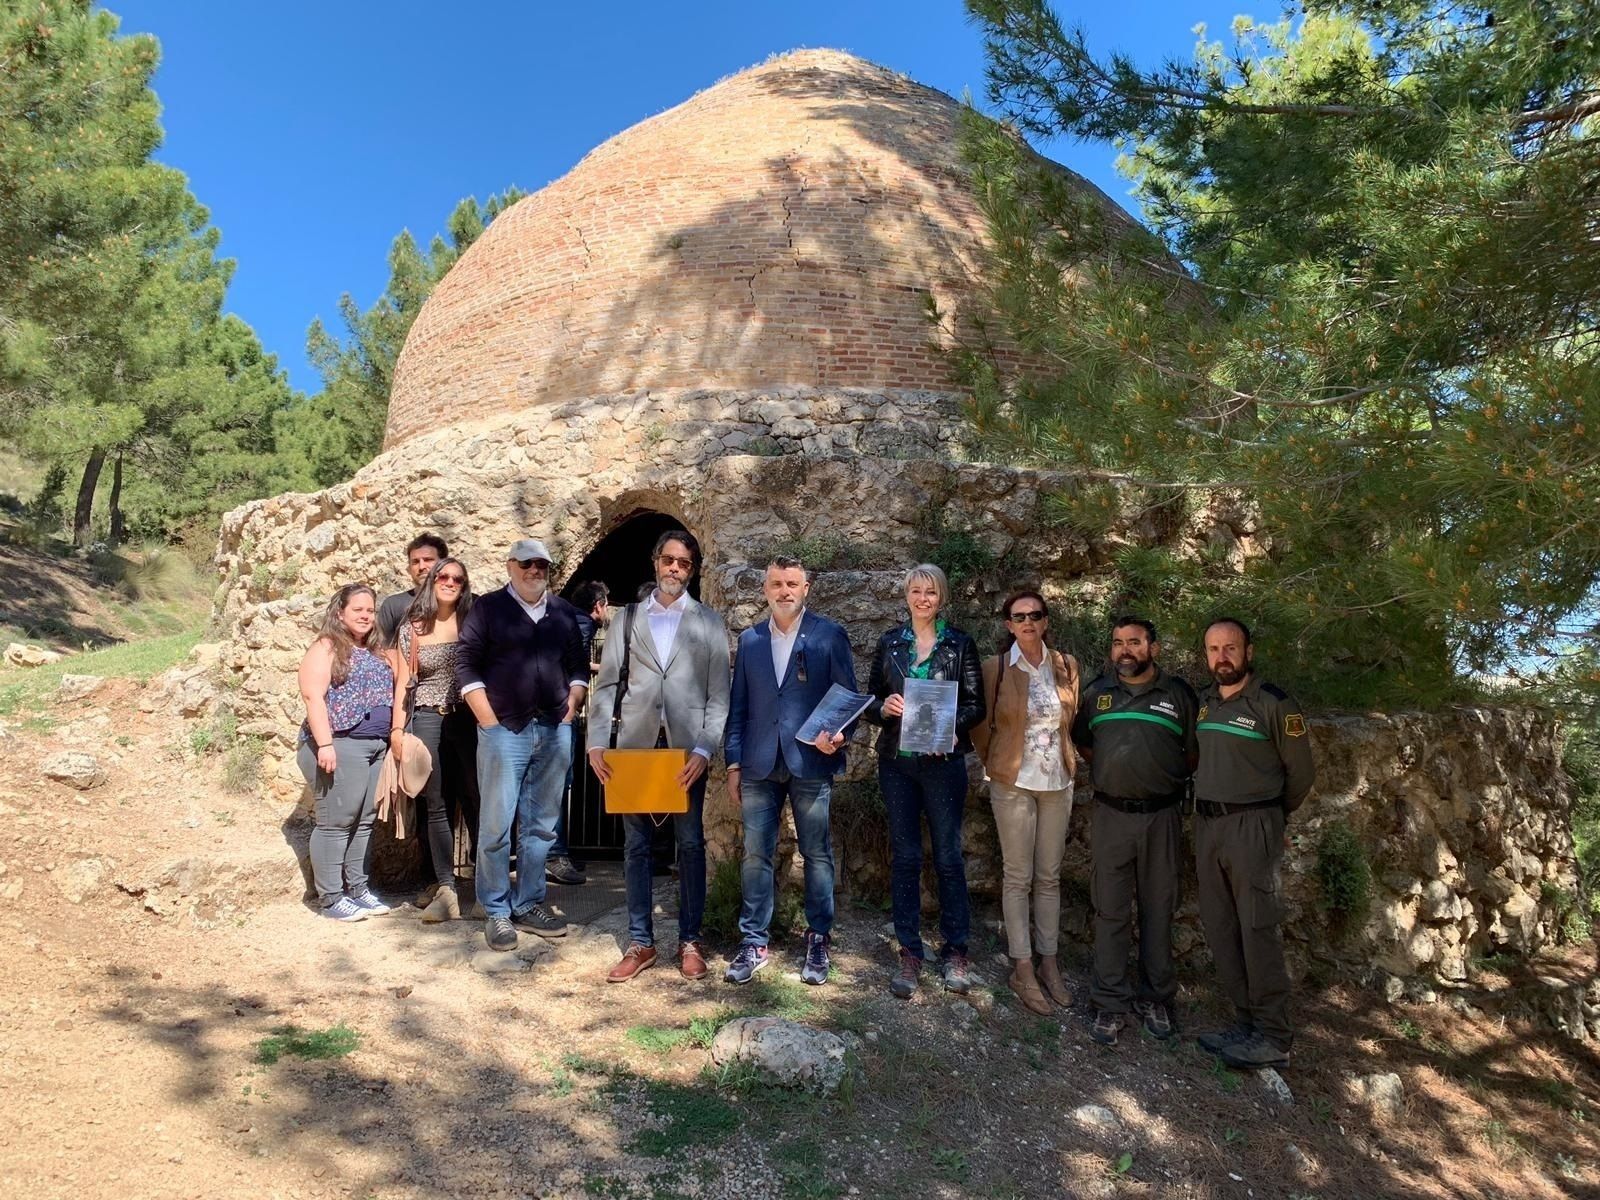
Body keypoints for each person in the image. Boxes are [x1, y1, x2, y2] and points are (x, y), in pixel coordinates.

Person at [589, 530, 730, 984]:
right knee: (635, 846)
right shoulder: (626, 620)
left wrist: (706, 749)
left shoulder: (708, 621)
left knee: (689, 845)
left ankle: (690, 940)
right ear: (655, 562)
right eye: (668, 560)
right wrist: (595, 743)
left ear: (692, 569)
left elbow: (719, 695)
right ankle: (640, 942)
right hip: (635, 748)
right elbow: (608, 684)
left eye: (684, 563)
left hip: (686, 750)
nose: (674, 568)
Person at [724, 556, 858, 986]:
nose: (784, 591)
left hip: (810, 761)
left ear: (806, 589)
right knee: (755, 854)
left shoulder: (829, 635)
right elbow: (739, 707)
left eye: (792, 584)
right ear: (765, 589)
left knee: (816, 853)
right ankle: (753, 941)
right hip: (760, 763)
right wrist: (733, 762)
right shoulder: (750, 641)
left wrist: (838, 735)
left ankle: (818, 938)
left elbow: (848, 699)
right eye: (777, 584)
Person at [1192, 617, 1316, 1070]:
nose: (1221, 657)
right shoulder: (1204, 703)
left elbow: (1301, 774)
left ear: (1248, 652)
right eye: (1213, 649)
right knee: (1222, 927)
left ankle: (1274, 1035)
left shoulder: (1274, 704)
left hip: (1252, 827)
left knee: (1257, 928)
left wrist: (1271, 817)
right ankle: (1244, 1023)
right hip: (1208, 826)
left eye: (1230, 648)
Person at [456, 539, 589, 952]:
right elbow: (466, 662)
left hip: (552, 728)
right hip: (503, 731)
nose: (536, 571)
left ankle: (529, 903)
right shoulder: (488, 608)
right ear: (511, 565)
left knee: (541, 827)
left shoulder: (562, 612)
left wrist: (572, 706)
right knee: (496, 825)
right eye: (528, 563)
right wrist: (488, 719)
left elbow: (578, 664)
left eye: (542, 565)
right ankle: (496, 909)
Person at [1071, 616, 1197, 1045]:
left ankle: (1156, 997)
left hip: (1162, 818)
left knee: (1159, 909)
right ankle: (1109, 1001)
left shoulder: (1178, 695)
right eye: (1118, 643)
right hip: (1111, 816)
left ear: (1153, 648)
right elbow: (1084, 744)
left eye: (1135, 643)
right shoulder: (1097, 694)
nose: (1125, 650)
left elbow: (1193, 754)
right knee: (1110, 909)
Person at [864, 564, 985, 999]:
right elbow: (870, 699)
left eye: (930, 591)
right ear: (906, 596)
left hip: (943, 762)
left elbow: (975, 704)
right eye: (915, 591)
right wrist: (886, 706)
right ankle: (910, 952)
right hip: (897, 763)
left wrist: (954, 727)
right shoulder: (889, 643)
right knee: (906, 856)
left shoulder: (959, 644)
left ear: (941, 597)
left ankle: (956, 951)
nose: (922, 598)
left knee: (950, 857)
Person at [971, 590, 1080, 1016]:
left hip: (1058, 781)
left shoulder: (1066, 666)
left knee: (1049, 877)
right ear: (1009, 625)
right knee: (1018, 877)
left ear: (1046, 621)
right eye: (1020, 617)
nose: (1028, 622)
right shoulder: (995, 668)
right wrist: (996, 763)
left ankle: (1049, 961)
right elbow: (980, 726)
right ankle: (1022, 967)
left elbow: (1072, 719)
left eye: (1035, 615)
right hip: (1013, 782)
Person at [296, 584, 409, 921]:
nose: (365, 615)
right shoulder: (327, 646)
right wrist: (326, 744)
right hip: (340, 744)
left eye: (370, 610)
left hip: (374, 747)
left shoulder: (375, 651)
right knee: (337, 821)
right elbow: (312, 696)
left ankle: (357, 889)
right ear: (340, 612)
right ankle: (331, 897)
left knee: (363, 822)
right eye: (357, 609)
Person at [396, 558, 480, 923]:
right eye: (442, 576)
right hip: (428, 717)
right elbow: (403, 683)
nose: (449, 582)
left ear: (464, 585)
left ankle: (483, 889)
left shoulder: (475, 622)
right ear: (431, 581)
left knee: (477, 799)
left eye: (457, 579)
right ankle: (446, 889)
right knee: (437, 803)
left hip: (468, 716)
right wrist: (397, 732)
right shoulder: (412, 628)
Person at [547, 580, 610, 886]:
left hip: (548, 712)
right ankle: (555, 854)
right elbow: (576, 666)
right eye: (606, 604)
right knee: (560, 783)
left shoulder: (562, 617)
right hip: (561, 715)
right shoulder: (583, 623)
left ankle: (551, 851)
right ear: (598, 606)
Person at [378, 533, 449, 642]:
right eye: (415, 562)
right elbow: (385, 651)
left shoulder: (466, 603)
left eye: (428, 560)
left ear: (444, 563)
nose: (421, 567)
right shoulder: (393, 606)